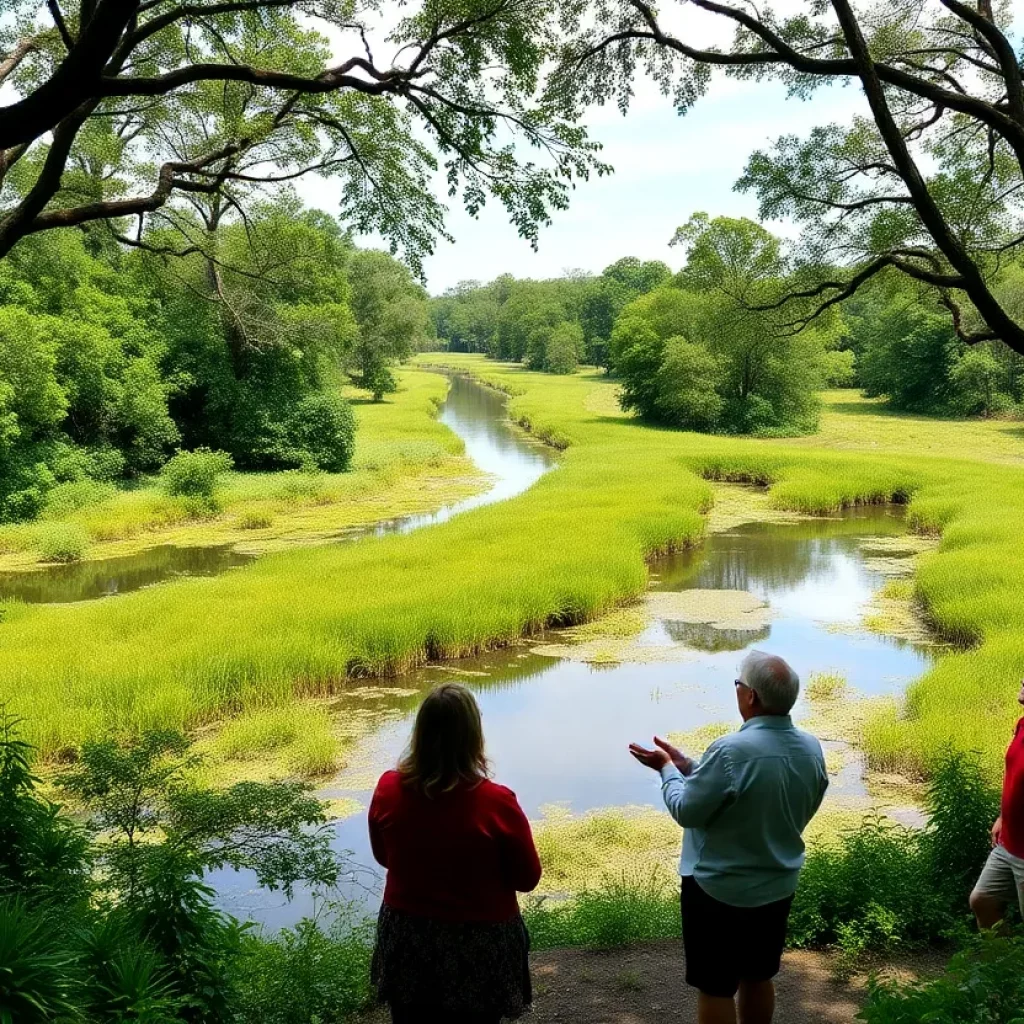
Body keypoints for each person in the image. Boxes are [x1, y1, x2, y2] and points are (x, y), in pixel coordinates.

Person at [629, 650, 828, 1024]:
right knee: (758, 974)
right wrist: (691, 766)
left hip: (718, 890)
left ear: (750, 696)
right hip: (777, 884)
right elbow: (796, 801)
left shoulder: (731, 750)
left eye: (738, 684)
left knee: (717, 986)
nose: (736, 690)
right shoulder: (811, 749)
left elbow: (686, 810)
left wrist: (668, 770)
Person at [368, 683, 541, 1023]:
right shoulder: (497, 802)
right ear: (473, 736)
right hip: (479, 942)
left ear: (419, 733)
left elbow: (384, 857)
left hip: (408, 937)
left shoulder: (388, 789)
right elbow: (527, 878)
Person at [969, 676, 1024, 930]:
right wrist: (1003, 817)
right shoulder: (1021, 724)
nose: (1022, 679)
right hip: (1009, 842)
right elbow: (1012, 773)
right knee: (983, 900)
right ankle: (1002, 963)